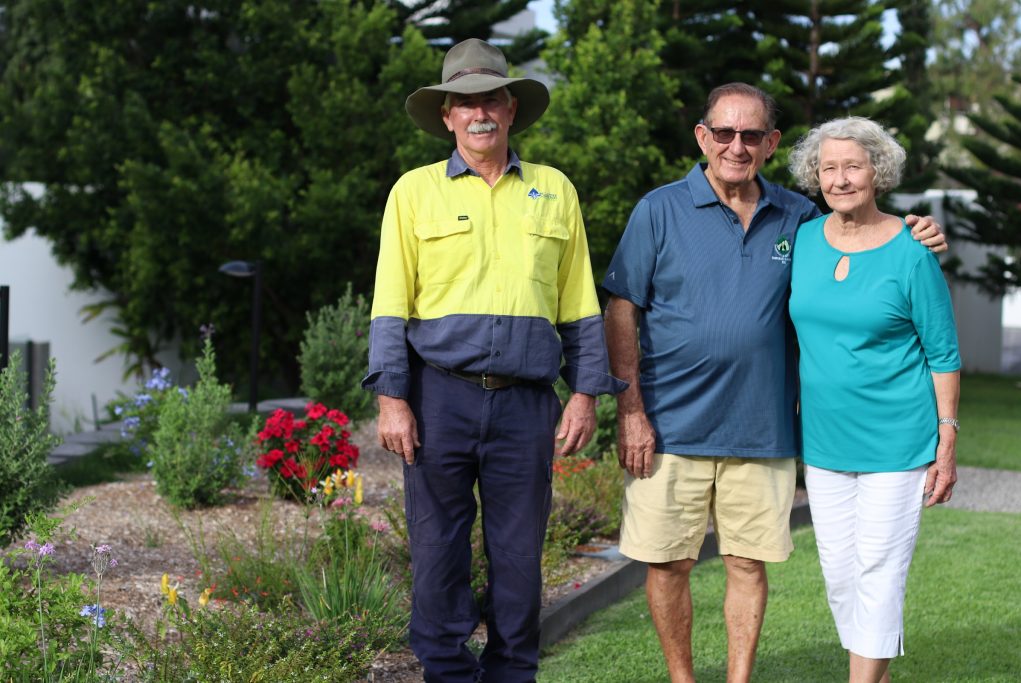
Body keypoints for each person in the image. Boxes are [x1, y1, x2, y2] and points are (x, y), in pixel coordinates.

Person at [602, 83, 947, 683]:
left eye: (752, 135)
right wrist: (630, 410)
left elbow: (863, 242)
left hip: (764, 427)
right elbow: (621, 310)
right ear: (703, 137)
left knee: (746, 564)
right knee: (668, 565)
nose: (737, 146)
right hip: (669, 426)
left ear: (771, 144)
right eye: (725, 133)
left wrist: (921, 232)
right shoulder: (658, 209)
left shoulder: (801, 219)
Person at [362, 38, 625, 683]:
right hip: (436, 398)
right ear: (447, 116)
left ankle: (512, 674)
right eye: (464, 103)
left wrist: (586, 392)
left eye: (491, 100)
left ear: (511, 109)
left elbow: (578, 301)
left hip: (525, 404)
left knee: (518, 556)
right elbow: (390, 304)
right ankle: (448, 673)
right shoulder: (413, 193)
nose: (479, 113)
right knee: (436, 551)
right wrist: (392, 398)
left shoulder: (554, 190)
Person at [787, 117, 960, 683]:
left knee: (879, 569)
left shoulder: (912, 249)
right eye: (828, 167)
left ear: (877, 172)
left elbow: (943, 352)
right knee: (840, 574)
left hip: (898, 440)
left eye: (852, 166)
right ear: (815, 175)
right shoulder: (804, 239)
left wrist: (948, 435)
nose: (840, 179)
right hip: (824, 440)